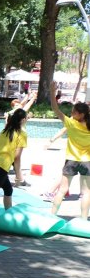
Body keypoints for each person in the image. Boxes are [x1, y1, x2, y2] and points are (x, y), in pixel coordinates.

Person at [48, 82, 90, 220]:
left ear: (81, 114)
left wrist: (52, 92)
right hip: (87, 162)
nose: (71, 113)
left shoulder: (71, 124)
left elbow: (55, 108)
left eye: (74, 112)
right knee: (86, 192)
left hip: (71, 160)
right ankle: (84, 220)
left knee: (62, 190)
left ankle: (51, 216)